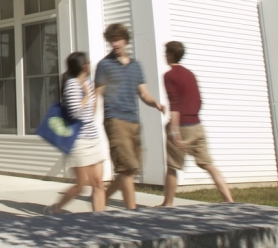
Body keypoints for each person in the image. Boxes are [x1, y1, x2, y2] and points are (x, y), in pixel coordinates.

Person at [95, 23, 167, 210]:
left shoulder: (136, 66)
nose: (115, 44)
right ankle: (131, 211)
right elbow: (98, 93)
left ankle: (102, 197)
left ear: (125, 40)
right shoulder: (104, 65)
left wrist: (156, 104)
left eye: (118, 40)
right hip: (115, 119)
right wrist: (88, 117)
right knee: (126, 169)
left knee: (133, 168)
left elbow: (143, 93)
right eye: (112, 40)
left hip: (133, 121)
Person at [160, 41, 234, 206]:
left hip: (181, 127)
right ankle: (229, 200)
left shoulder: (169, 75)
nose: (164, 55)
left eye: (166, 52)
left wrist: (174, 131)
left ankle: (168, 204)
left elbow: (175, 103)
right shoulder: (190, 74)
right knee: (208, 164)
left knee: (173, 166)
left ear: (170, 54)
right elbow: (199, 100)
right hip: (197, 126)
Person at [50, 52, 106, 213]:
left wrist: (92, 95)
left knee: (98, 184)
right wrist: (88, 95)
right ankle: (57, 208)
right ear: (84, 66)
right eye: (88, 62)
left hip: (93, 138)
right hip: (79, 141)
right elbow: (75, 113)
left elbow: (91, 112)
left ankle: (100, 221)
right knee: (81, 185)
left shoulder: (86, 82)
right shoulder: (72, 85)